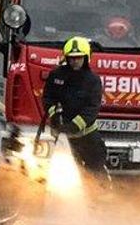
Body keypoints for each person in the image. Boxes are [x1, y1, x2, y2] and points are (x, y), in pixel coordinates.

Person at [42, 36, 106, 174]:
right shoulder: (56, 75)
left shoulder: (93, 80)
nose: (74, 61)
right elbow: (48, 98)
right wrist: (54, 115)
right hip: (61, 137)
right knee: (61, 173)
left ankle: (102, 194)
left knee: (95, 172)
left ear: (86, 57)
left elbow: (92, 108)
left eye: (78, 57)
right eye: (71, 58)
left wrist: (73, 126)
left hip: (87, 137)